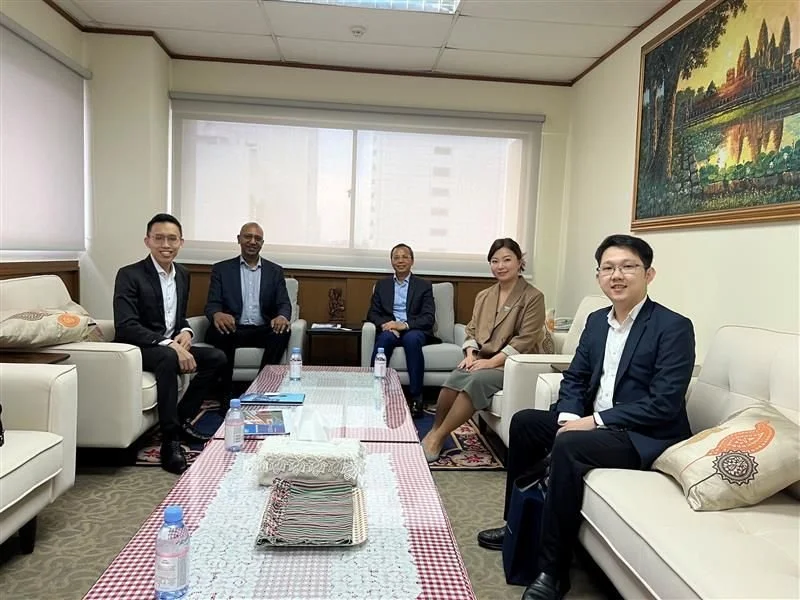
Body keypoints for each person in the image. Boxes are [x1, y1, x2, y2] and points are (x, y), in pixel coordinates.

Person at [476, 234, 696, 600]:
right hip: (593, 421)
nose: (617, 275)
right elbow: (576, 377)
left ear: (649, 274)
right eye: (608, 268)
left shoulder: (672, 327)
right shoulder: (596, 322)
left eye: (628, 267)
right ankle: (517, 524)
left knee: (571, 446)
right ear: (598, 277)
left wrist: (592, 421)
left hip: (642, 433)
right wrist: (567, 416)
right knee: (526, 423)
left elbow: (665, 403)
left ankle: (553, 570)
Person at [113, 213, 226, 475]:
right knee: (166, 358)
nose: (166, 244)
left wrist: (185, 332)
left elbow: (178, 318)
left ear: (181, 242)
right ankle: (170, 440)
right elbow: (126, 325)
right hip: (139, 347)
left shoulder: (183, 274)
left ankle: (182, 417)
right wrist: (170, 345)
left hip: (168, 345)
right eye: (159, 238)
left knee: (216, 358)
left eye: (172, 239)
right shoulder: (129, 275)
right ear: (147, 241)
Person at [421, 238, 546, 463]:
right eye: (495, 261)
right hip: (484, 358)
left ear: (520, 262)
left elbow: (526, 339)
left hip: (516, 364)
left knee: (477, 381)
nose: (501, 266)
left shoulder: (533, 297)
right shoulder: (485, 295)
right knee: (456, 376)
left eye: (507, 260)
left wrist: (491, 362)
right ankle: (436, 429)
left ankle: (438, 437)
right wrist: (471, 355)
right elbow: (471, 330)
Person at [204, 222, 292, 403]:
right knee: (220, 332)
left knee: (283, 332)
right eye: (248, 237)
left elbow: (284, 303)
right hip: (232, 329)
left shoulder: (275, 271)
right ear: (239, 239)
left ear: (262, 243)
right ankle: (225, 395)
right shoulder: (221, 269)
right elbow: (212, 304)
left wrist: (282, 316)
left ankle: (261, 389)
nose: (252, 241)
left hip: (262, 329)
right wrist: (217, 314)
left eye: (257, 238)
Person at [366, 243, 437, 417]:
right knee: (384, 340)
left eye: (405, 257)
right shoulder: (382, 285)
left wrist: (403, 325)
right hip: (391, 329)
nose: (400, 261)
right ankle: (374, 392)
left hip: (413, 329)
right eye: (396, 257)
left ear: (412, 261)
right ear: (391, 261)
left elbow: (428, 317)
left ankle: (416, 397)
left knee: (411, 340)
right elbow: (372, 313)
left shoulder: (423, 285)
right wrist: (388, 325)